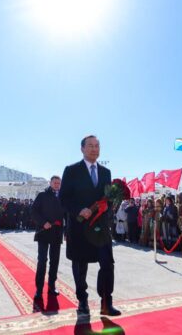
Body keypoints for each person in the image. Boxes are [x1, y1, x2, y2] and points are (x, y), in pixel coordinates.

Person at [60, 135, 120, 316]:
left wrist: (108, 205)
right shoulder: (71, 171)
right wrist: (79, 210)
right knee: (80, 265)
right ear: (82, 149)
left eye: (97, 146)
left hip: (101, 227)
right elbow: (64, 198)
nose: (95, 149)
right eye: (91, 146)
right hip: (79, 227)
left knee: (108, 263)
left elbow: (108, 199)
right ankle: (83, 300)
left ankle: (106, 302)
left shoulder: (106, 172)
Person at [32, 176, 64, 299]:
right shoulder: (42, 195)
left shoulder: (62, 197)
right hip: (43, 232)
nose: (57, 185)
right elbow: (34, 211)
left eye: (59, 183)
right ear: (50, 183)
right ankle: (39, 289)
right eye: (55, 183)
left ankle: (51, 286)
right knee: (42, 261)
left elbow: (66, 214)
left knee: (54, 261)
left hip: (56, 232)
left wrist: (67, 231)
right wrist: (42, 222)